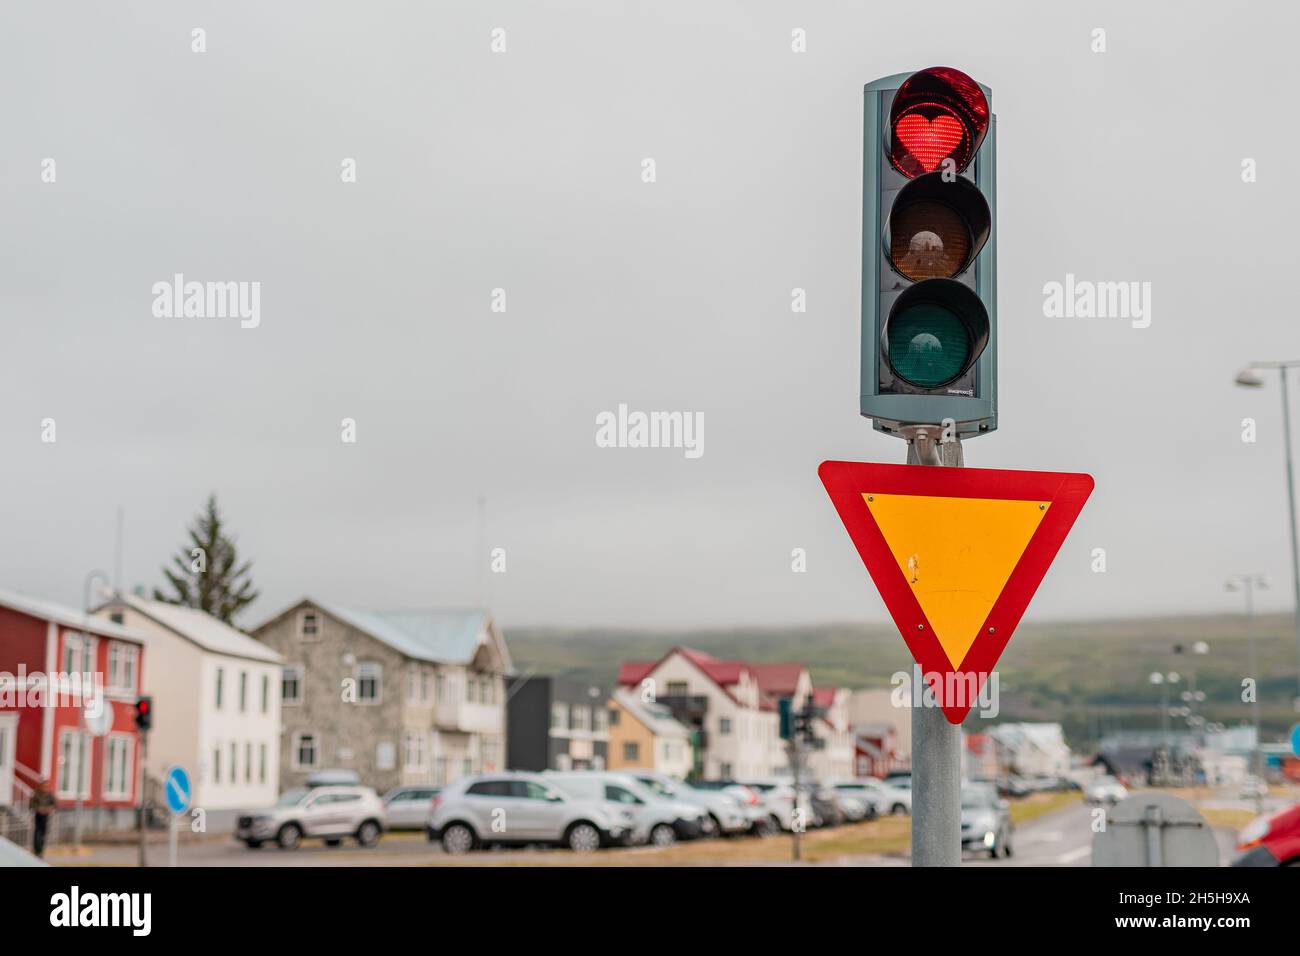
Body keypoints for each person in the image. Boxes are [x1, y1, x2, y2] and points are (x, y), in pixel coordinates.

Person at [31, 780, 55, 857]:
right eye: (44, 786)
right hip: (38, 815)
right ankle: (36, 849)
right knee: (37, 832)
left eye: (47, 787)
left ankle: (40, 850)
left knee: (44, 832)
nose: (45, 788)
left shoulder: (50, 795)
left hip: (46, 816)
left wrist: (50, 809)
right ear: (41, 786)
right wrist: (38, 809)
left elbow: (54, 804)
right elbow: (32, 804)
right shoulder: (36, 794)